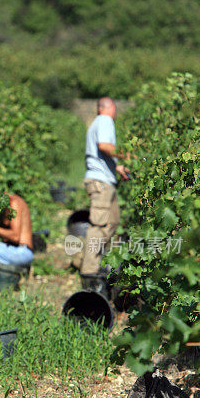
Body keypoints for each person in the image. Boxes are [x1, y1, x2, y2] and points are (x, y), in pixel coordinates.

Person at [79, 97, 130, 283]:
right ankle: (89, 272)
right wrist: (128, 154)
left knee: (111, 222)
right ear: (111, 108)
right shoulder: (105, 120)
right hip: (100, 183)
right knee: (99, 225)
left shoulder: (97, 123)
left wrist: (117, 167)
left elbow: (100, 153)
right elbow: (104, 146)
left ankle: (92, 262)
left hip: (105, 179)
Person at [0, 192, 33, 266]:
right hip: (15, 250)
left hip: (21, 251)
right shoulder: (9, 204)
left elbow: (16, 237)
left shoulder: (14, 202)